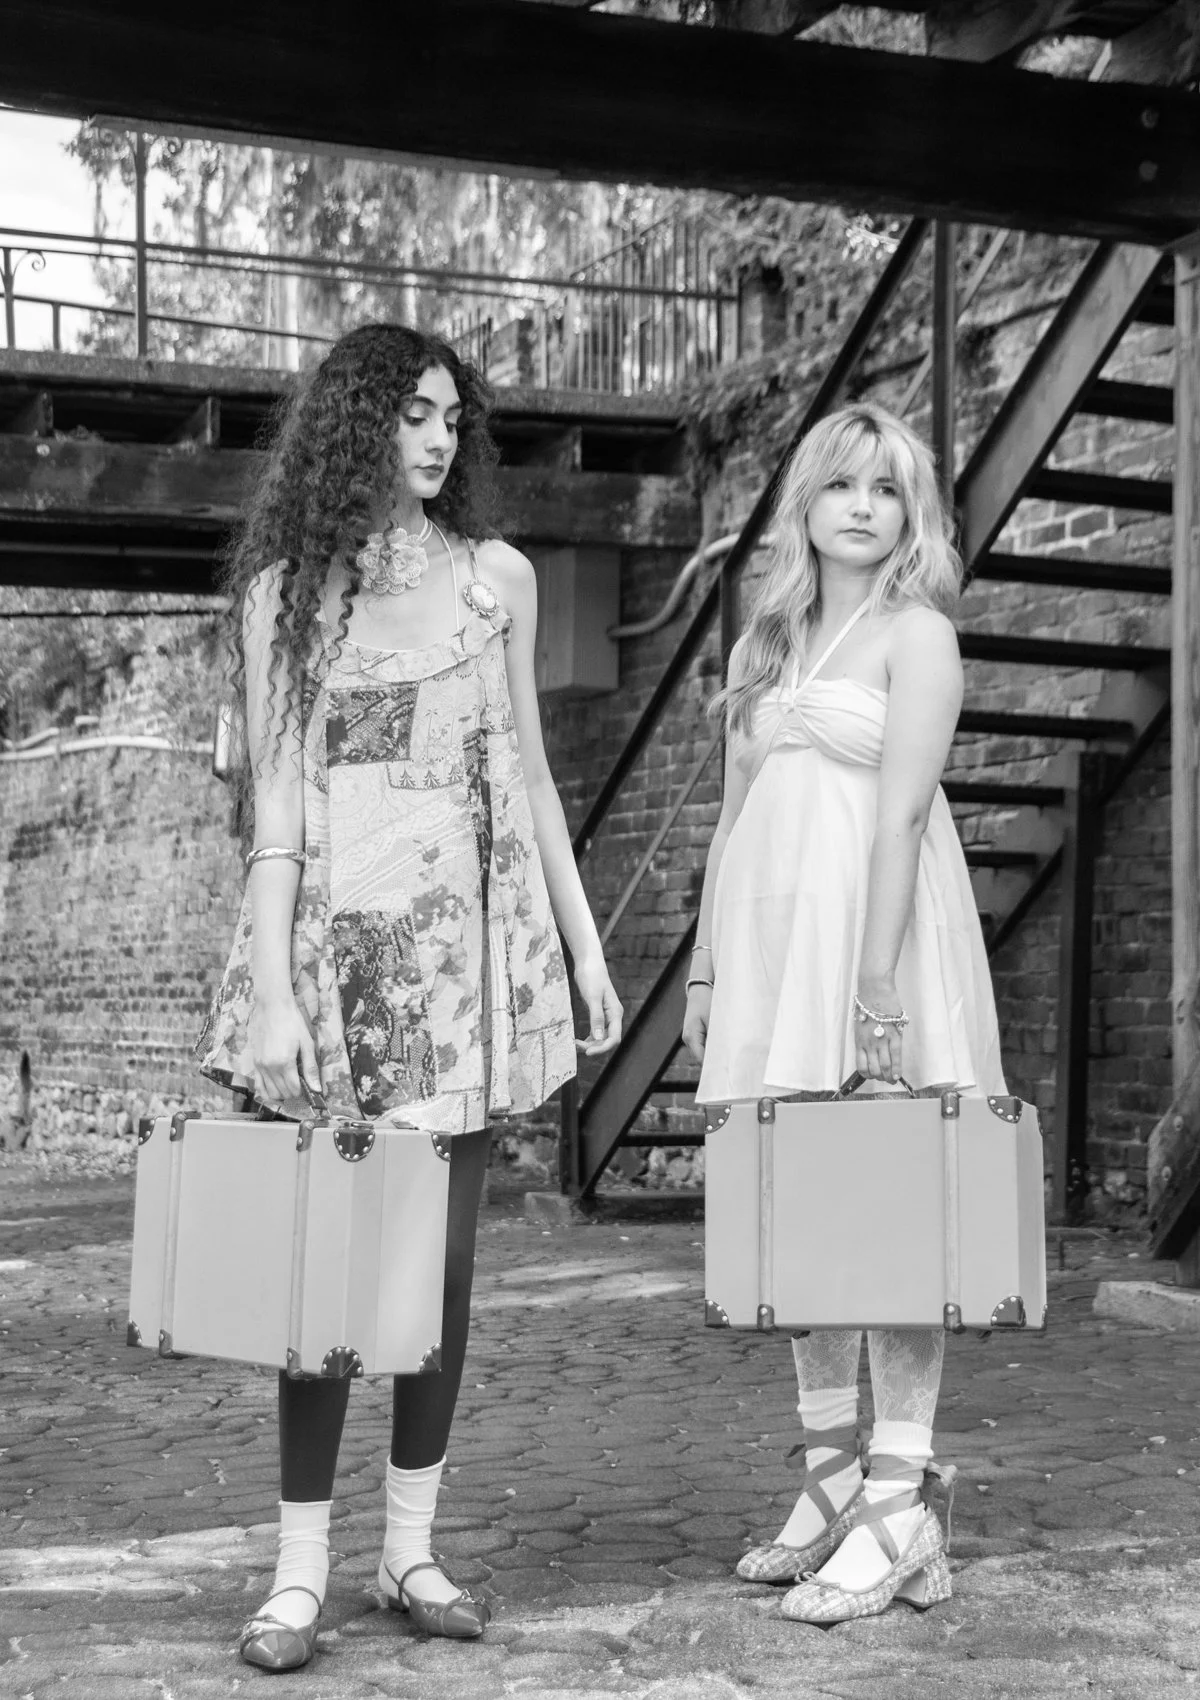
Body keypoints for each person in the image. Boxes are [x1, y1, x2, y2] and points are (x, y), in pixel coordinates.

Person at [195, 323, 622, 1670]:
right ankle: (300, 1573)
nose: (439, 439)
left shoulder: (498, 581)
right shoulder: (286, 596)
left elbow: (533, 776)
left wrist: (585, 948)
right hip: (334, 967)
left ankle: (409, 1550)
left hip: (466, 968)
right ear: (353, 426)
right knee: (326, 1264)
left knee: (437, 1272)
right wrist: (273, 993)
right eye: (412, 414)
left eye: (452, 418)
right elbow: (277, 812)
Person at [683, 402, 1005, 1625]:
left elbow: (904, 813)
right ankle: (826, 1478)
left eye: (888, 487)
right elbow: (729, 822)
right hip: (771, 949)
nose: (864, 506)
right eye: (842, 485)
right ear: (805, 502)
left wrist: (876, 977)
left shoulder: (919, 634)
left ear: (911, 511)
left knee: (892, 1207)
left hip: (878, 940)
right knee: (798, 1210)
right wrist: (706, 971)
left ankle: (898, 1497)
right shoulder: (762, 643)